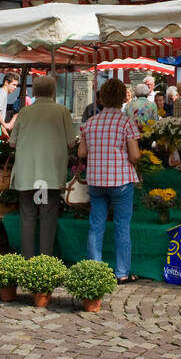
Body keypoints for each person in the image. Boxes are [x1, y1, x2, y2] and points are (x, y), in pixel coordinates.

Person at [9, 76, 79, 259]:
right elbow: (72, 143)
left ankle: (27, 260)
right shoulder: (61, 111)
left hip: (27, 175)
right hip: (48, 176)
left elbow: (12, 143)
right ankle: (45, 260)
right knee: (47, 218)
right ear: (53, 91)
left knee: (28, 218)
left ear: (34, 92)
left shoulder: (24, 112)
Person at [79, 78, 141, 284]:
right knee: (122, 226)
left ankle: (93, 271)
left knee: (95, 226)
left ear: (102, 98)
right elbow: (135, 156)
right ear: (123, 98)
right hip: (121, 180)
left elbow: (81, 152)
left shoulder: (90, 123)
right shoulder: (126, 122)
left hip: (96, 179)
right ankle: (122, 272)